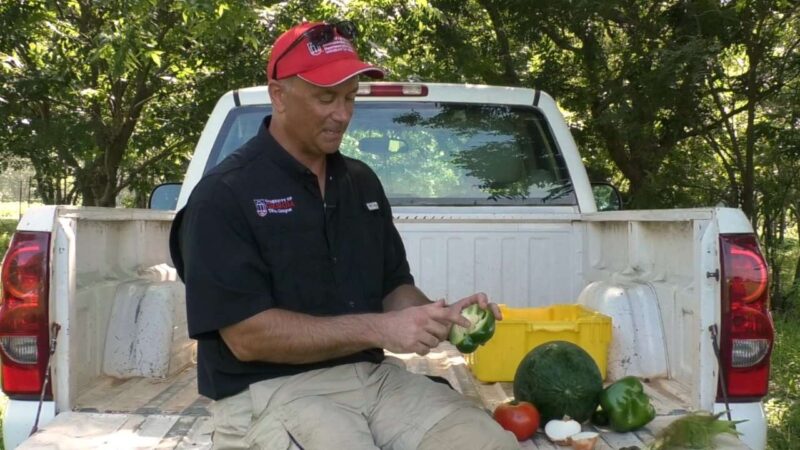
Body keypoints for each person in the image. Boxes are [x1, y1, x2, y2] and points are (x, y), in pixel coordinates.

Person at [169, 20, 519, 449]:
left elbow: (394, 288)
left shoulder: (361, 183)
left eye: (351, 98)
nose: (343, 113)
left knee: (490, 443)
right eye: (326, 97)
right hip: (269, 392)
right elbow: (247, 337)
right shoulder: (222, 196)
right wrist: (381, 330)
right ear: (279, 95)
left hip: (373, 381)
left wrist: (440, 318)